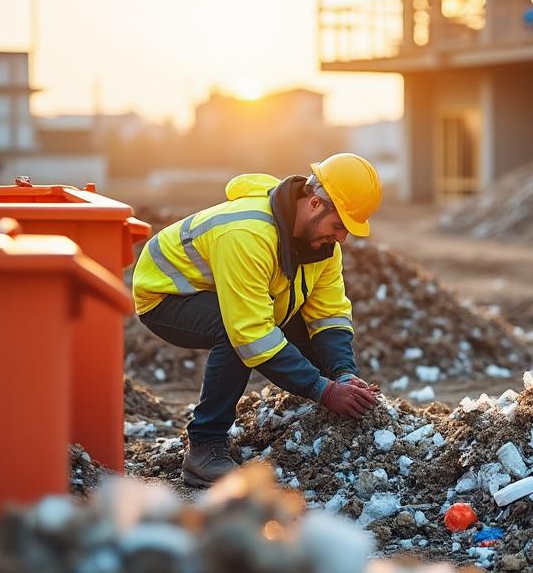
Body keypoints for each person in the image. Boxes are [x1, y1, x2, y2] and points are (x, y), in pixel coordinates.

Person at [132, 153, 384, 487]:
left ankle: (320, 413)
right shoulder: (246, 234)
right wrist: (322, 390)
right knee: (234, 331)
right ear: (314, 204)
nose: (341, 239)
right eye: (338, 226)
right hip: (168, 294)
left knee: (292, 329)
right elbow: (250, 333)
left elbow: (329, 314)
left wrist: (343, 374)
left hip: (234, 296)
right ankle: (204, 447)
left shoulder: (321, 248)